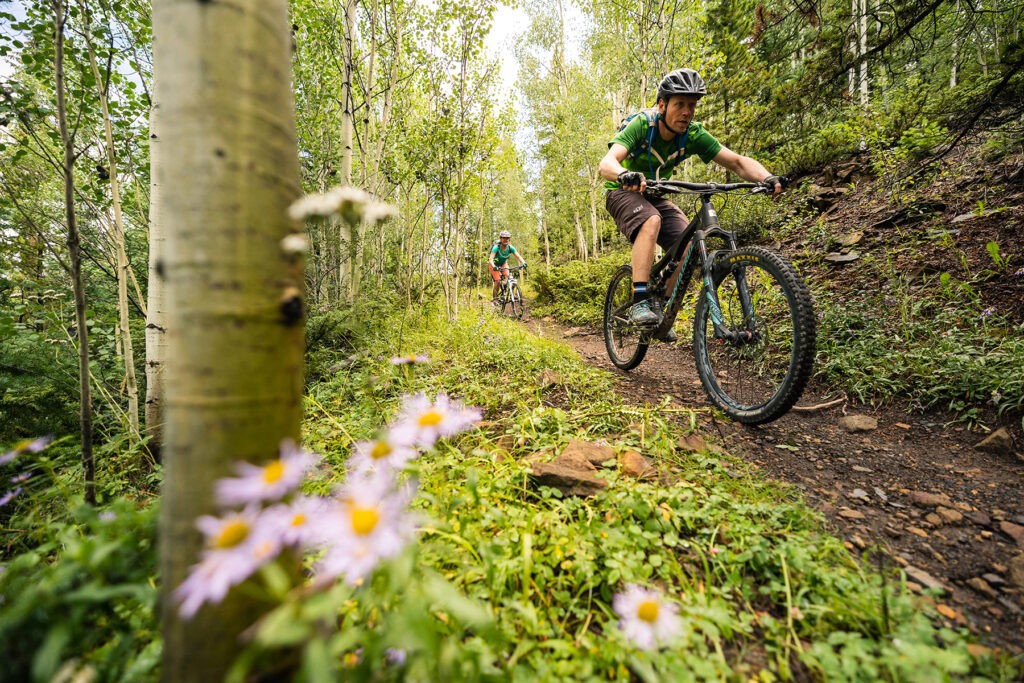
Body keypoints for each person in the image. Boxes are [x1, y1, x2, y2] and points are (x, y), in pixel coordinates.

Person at [598, 67, 784, 334]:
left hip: (655, 193)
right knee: (651, 220)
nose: (687, 112)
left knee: (688, 243)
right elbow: (606, 163)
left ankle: (661, 309)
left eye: (692, 105)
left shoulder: (693, 134)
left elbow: (737, 162)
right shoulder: (643, 125)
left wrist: (767, 177)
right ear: (662, 105)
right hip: (622, 190)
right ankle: (640, 302)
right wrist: (624, 174)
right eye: (680, 104)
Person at [489, 230, 527, 303]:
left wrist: (523, 262)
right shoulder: (496, 247)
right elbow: (491, 259)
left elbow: (518, 256)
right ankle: (495, 298)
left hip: (503, 263)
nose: (505, 240)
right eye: (504, 238)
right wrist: (494, 266)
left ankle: (510, 293)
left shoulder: (510, 248)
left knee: (508, 276)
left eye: (507, 238)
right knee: (497, 280)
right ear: (501, 239)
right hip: (493, 264)